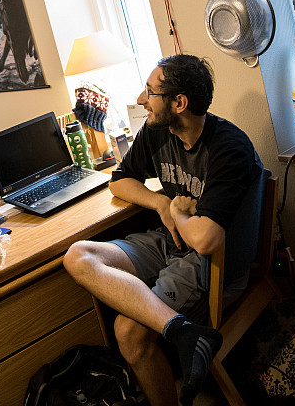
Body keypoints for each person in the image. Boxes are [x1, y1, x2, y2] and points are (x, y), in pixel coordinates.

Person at [63, 54, 262, 406]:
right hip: (169, 244)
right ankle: (185, 333)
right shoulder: (157, 132)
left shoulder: (229, 149)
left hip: (210, 266)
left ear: (179, 102)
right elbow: (119, 181)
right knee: (78, 256)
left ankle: (181, 339)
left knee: (128, 332)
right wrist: (160, 204)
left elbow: (206, 239)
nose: (142, 100)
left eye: (150, 92)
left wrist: (178, 213)